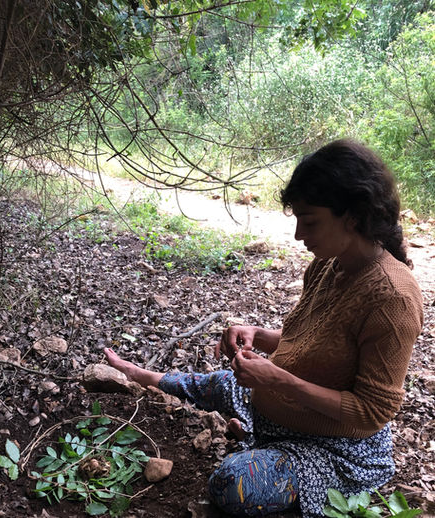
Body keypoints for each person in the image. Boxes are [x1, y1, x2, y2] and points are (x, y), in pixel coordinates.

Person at [104, 139, 423, 518]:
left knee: (232, 483)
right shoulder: (328, 263)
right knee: (221, 383)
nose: (299, 235)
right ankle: (145, 377)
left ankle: (262, 447)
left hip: (338, 448)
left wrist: (278, 381)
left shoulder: (393, 298)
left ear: (353, 217)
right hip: (281, 410)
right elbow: (317, 343)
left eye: (310, 221)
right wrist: (258, 335)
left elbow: (371, 412)